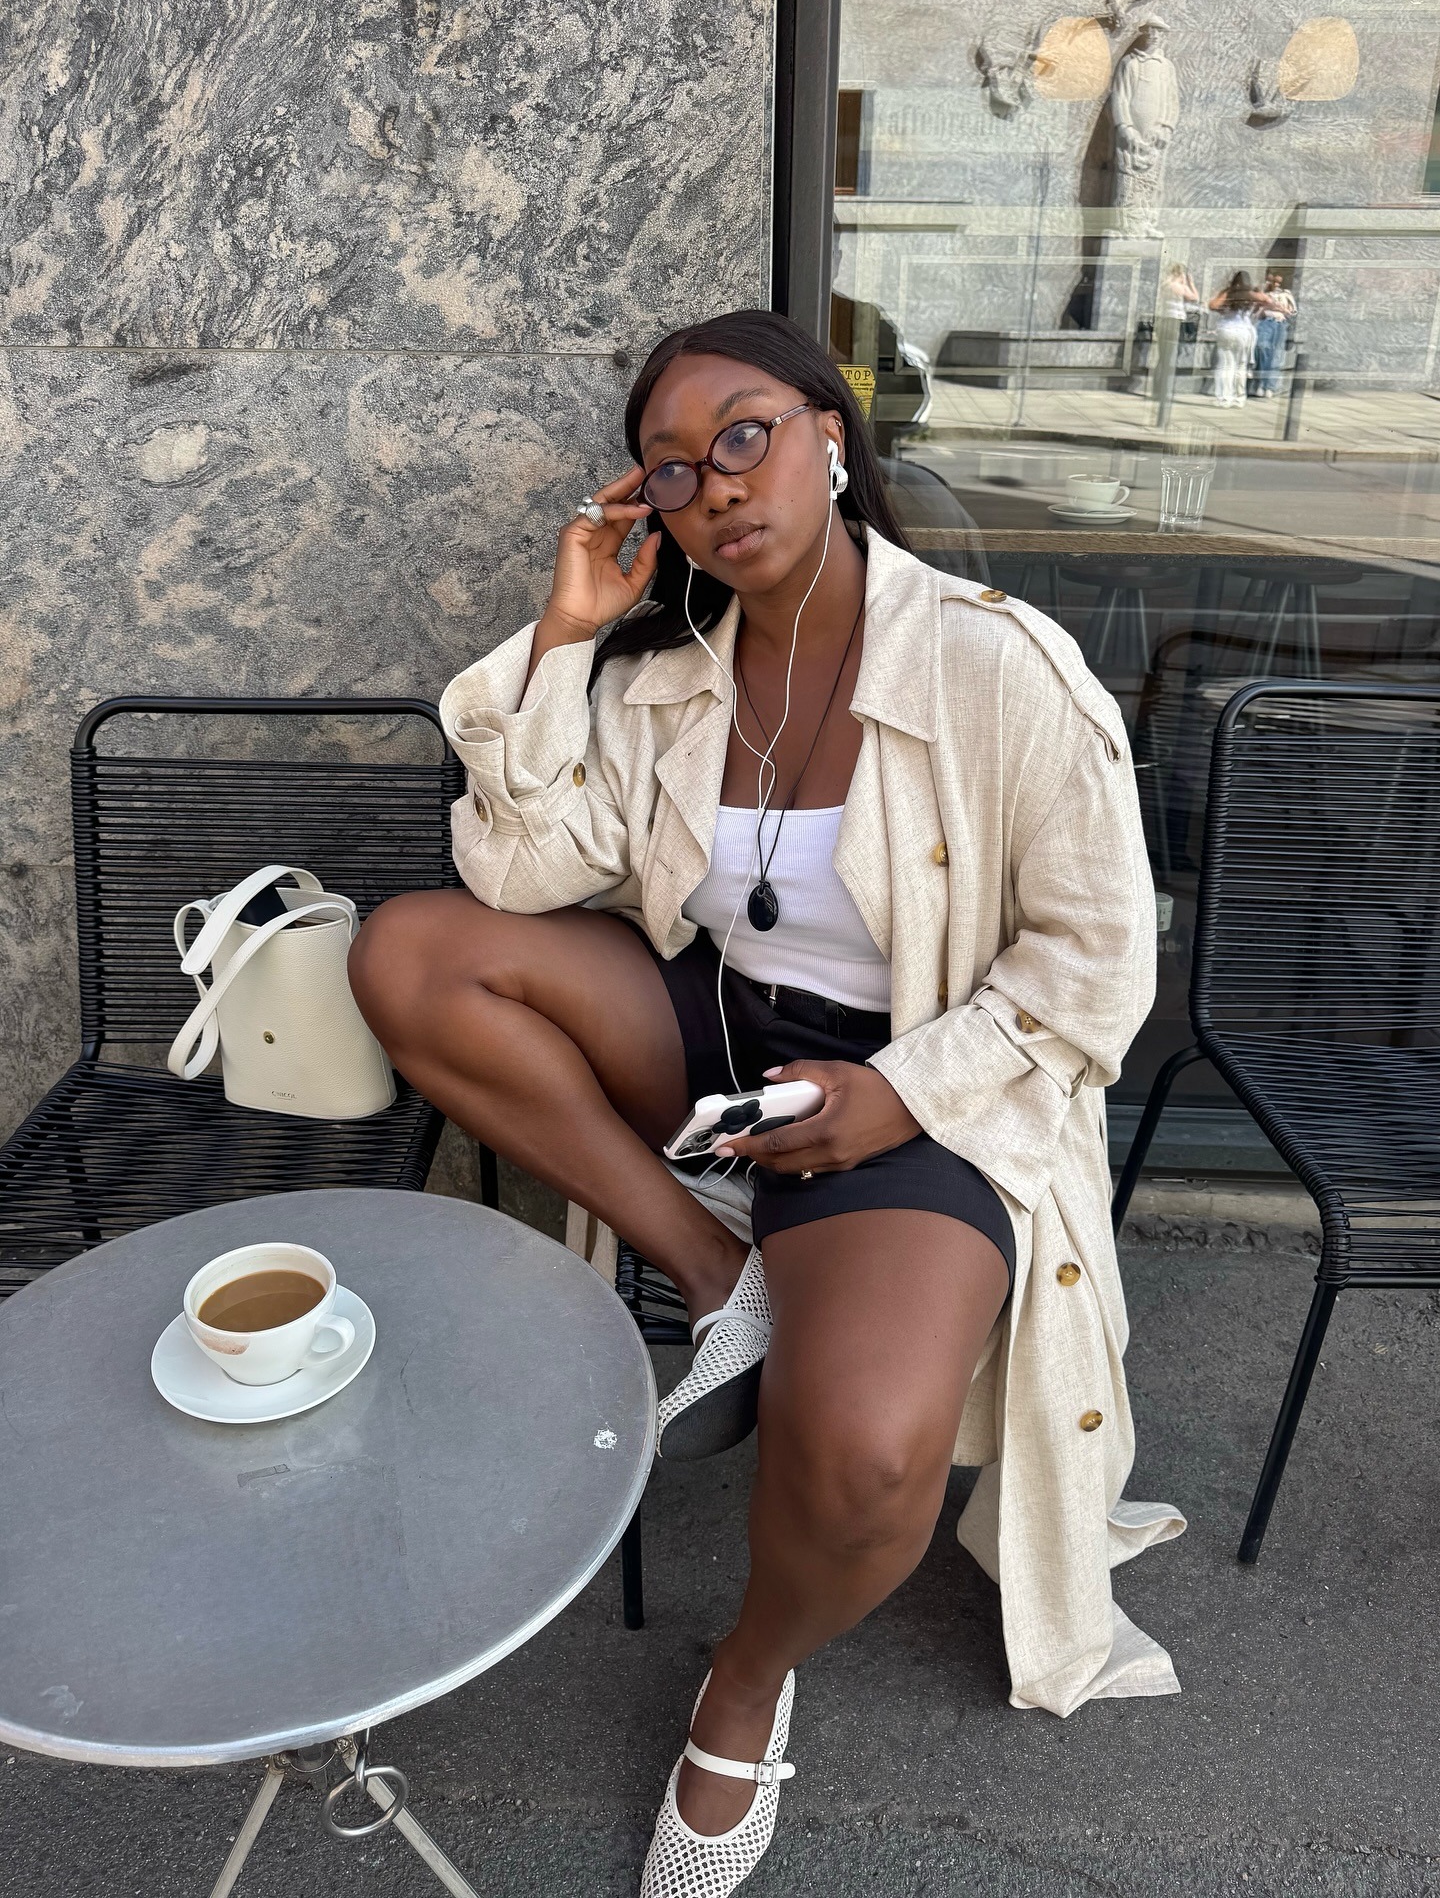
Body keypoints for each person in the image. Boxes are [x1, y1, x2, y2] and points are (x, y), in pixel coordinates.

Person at [347, 310, 1184, 1897]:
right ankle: (718, 1268)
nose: (717, 484)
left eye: (746, 434)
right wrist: (565, 634)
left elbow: (1097, 966)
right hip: (719, 1043)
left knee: (865, 1461)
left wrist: (900, 1092)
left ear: (831, 439)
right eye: (672, 468)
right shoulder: (671, 681)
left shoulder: (995, 665)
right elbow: (516, 874)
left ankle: (745, 1680)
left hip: (916, 1087)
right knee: (408, 954)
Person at [1154, 262, 1198, 422]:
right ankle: (1164, 391)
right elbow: (1195, 297)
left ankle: (1158, 388)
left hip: (1164, 321)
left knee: (1163, 356)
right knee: (1171, 357)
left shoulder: (1165, 284)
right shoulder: (1178, 286)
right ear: (1180, 274)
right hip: (1174, 322)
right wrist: (1190, 283)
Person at [1208, 271, 1257, 408]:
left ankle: (1225, 398)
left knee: (1226, 365)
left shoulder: (1229, 292)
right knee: (1241, 366)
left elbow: (1213, 305)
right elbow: (1267, 300)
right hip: (1244, 332)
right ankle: (1239, 399)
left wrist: (1222, 308)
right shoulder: (1251, 294)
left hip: (1227, 330)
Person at [1251, 269, 1296, 398]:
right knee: (1262, 350)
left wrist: (1280, 308)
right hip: (1265, 322)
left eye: (1278, 282)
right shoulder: (1264, 293)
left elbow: (1292, 312)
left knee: (1276, 354)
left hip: (1280, 323)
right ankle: (1260, 383)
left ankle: (1269, 386)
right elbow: (1255, 311)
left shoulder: (1286, 295)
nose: (1276, 285)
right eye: (1273, 281)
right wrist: (1265, 307)